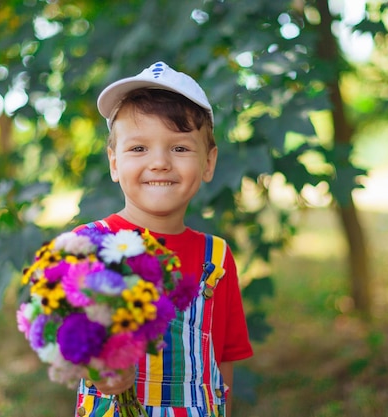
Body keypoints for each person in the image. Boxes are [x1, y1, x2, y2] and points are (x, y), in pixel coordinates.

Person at [73, 61, 253, 417]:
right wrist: (99, 369)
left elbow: (224, 361)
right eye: (138, 149)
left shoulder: (215, 257)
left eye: (180, 148)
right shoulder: (90, 245)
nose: (159, 163)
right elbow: (68, 341)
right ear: (113, 162)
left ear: (208, 162)